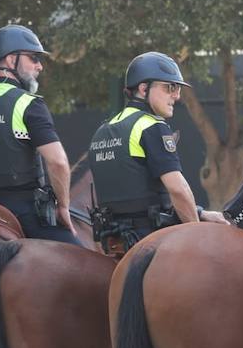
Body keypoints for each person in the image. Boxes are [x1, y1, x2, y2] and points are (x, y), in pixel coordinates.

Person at [89, 51, 227, 251]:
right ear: (144, 88)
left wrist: (200, 212)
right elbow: (178, 190)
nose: (177, 96)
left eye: (178, 88)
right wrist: (198, 236)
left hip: (112, 242)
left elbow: (134, 192)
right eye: (170, 87)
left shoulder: (103, 130)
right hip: (152, 241)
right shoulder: (151, 126)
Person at [0, 24, 78, 244]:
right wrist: (63, 206)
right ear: (12, 60)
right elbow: (58, 163)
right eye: (33, 58)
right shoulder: (29, 104)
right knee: (87, 267)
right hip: (24, 215)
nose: (39, 66)